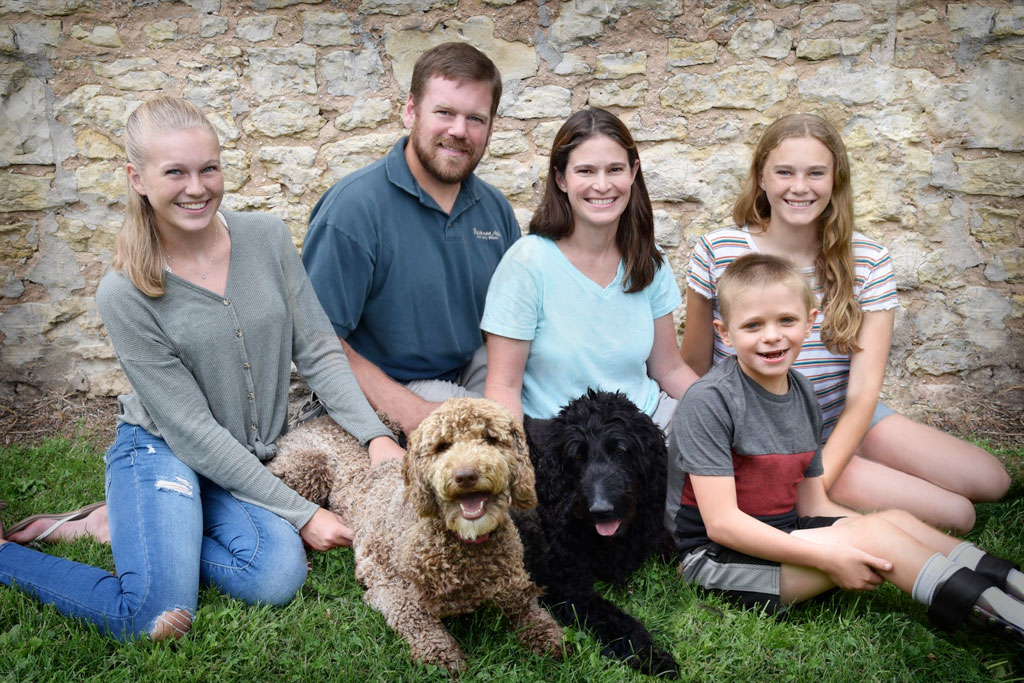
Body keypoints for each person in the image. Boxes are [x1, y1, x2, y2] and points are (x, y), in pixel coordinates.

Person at [0, 96, 403, 641]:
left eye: (208, 168)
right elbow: (190, 430)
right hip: (164, 446)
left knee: (276, 575)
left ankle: (129, 523)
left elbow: (318, 351)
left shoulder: (265, 237)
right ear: (137, 178)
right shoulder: (124, 292)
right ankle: (13, 555)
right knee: (152, 614)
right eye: (175, 172)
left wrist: (376, 438)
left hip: (238, 456)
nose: (198, 187)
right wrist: (304, 514)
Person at [677, 113, 1008, 534]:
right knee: (959, 514)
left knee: (992, 480)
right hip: (772, 437)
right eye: (784, 172)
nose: (800, 187)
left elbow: (863, 394)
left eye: (816, 173)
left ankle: (855, 467)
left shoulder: (868, 259)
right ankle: (844, 483)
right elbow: (695, 367)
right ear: (761, 178)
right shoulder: (718, 250)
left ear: (836, 179)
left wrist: (821, 481)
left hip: (843, 416)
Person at [672, 252, 1023, 645]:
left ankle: (1014, 586)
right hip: (718, 560)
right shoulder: (709, 401)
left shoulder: (802, 391)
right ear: (725, 333)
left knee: (891, 523)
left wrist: (864, 530)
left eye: (786, 320)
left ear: (810, 320)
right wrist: (830, 558)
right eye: (753, 325)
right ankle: (1009, 621)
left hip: (787, 532)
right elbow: (722, 524)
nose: (772, 335)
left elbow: (812, 505)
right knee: (872, 535)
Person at [481, 108, 698, 530]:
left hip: (642, 430)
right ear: (561, 179)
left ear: (633, 173)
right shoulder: (528, 263)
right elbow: (503, 385)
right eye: (586, 170)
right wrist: (518, 469)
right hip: (561, 441)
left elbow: (669, 368)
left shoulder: (648, 262)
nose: (602, 185)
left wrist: (728, 410)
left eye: (615, 169)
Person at [300, 42, 520, 436]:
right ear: (410, 111)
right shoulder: (353, 209)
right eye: (444, 113)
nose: (459, 130)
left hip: (468, 377)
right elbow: (316, 344)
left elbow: (507, 331)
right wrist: (417, 412)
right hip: (385, 392)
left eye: (475, 118)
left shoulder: (496, 211)